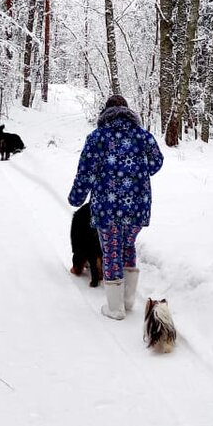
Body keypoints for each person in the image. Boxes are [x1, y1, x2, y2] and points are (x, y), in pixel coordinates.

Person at [68, 94, 164, 320]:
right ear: (128, 113)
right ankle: (128, 301)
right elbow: (157, 162)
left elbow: (85, 173)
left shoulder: (97, 137)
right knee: (128, 246)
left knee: (111, 250)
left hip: (107, 208)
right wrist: (136, 170)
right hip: (138, 206)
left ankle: (115, 308)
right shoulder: (143, 136)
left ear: (105, 114)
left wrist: (76, 198)